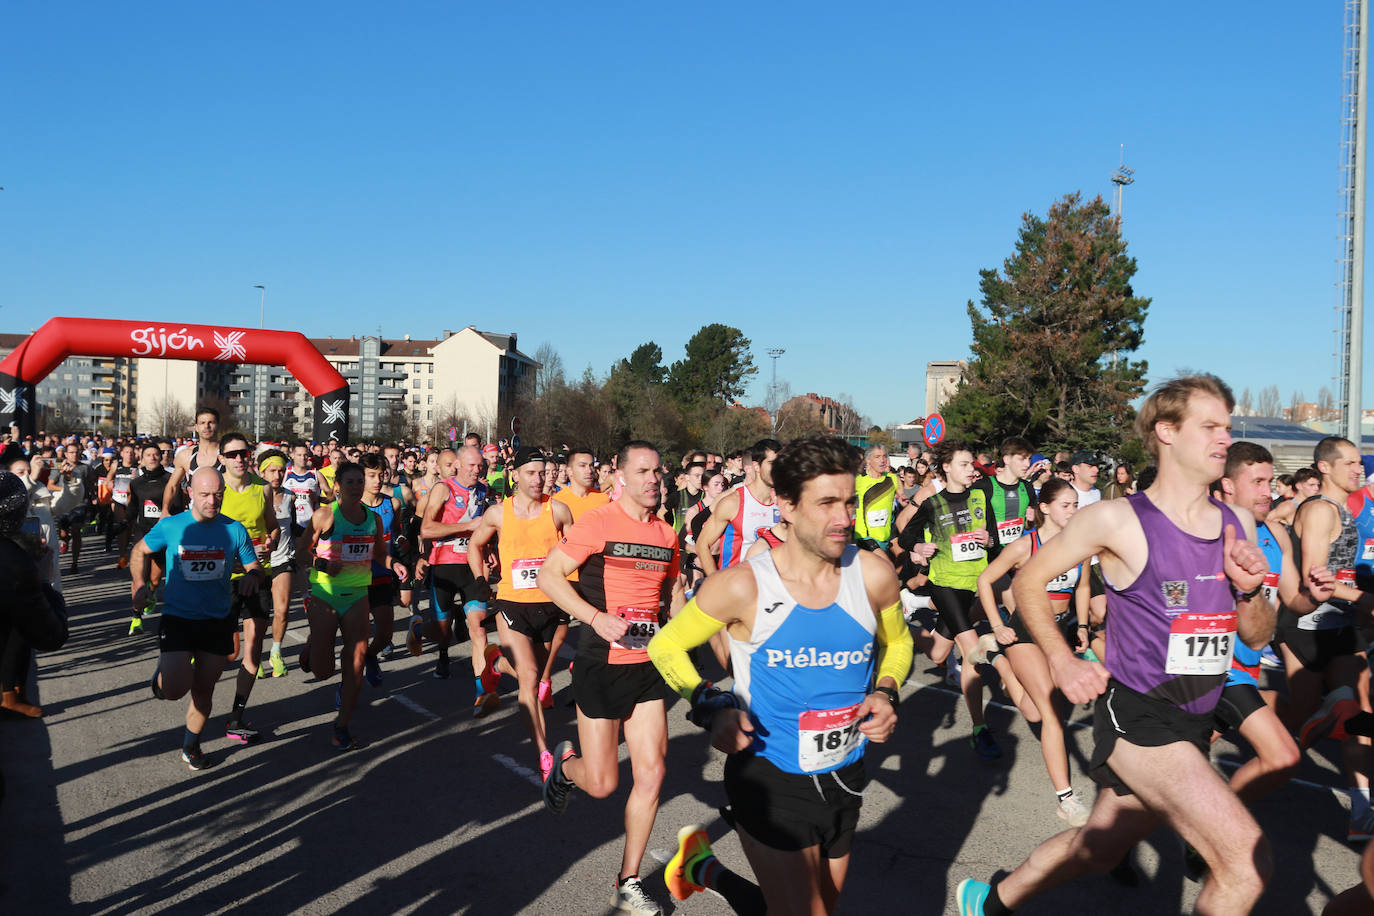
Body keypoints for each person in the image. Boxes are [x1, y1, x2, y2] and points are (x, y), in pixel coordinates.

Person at [957, 374, 1275, 915]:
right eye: (1211, 426)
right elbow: (1028, 581)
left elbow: (1257, 634)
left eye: (1227, 425)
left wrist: (1250, 593)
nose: (1226, 438)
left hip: (1199, 715)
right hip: (1141, 718)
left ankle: (989, 902)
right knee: (1245, 862)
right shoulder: (1116, 518)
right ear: (1166, 432)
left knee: (1098, 849)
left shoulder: (1236, 520)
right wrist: (1060, 659)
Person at [647, 436, 911, 915]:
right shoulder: (744, 585)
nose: (844, 518)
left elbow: (899, 643)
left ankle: (705, 870)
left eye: (849, 501)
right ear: (786, 505)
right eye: (827, 503)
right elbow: (666, 645)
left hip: (845, 772)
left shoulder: (873, 575)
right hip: (769, 777)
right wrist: (710, 704)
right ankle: (708, 870)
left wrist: (887, 691)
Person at [539, 441, 685, 916]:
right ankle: (565, 767)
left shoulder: (667, 533)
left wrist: (680, 642)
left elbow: (674, 593)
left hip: (646, 667)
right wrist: (594, 617)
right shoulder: (598, 522)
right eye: (642, 471)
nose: (653, 480)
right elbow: (550, 575)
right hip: (602, 663)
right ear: (620, 476)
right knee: (601, 783)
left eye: (658, 472)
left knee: (653, 773)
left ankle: (628, 881)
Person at [974, 478, 1092, 825]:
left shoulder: (1079, 546)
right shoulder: (1026, 545)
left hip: (1061, 629)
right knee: (1050, 712)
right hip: (1026, 629)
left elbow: (1083, 586)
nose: (1073, 511)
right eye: (1066, 505)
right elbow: (985, 580)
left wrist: (1082, 625)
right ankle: (1066, 798)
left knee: (1036, 713)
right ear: (1044, 507)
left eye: (1075, 505)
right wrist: (997, 624)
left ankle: (997, 661)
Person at [134, 467, 265, 770]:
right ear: (190, 492)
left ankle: (191, 745)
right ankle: (166, 675)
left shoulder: (234, 530)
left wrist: (253, 578)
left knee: (205, 689)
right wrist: (140, 585)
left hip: (217, 621)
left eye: (217, 495)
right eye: (204, 494)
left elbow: (254, 566)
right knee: (174, 691)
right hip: (179, 618)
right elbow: (140, 551)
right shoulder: (172, 526)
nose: (211, 501)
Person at [1281, 435, 1374, 840]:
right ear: (1325, 467)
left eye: (1360, 463)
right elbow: (1314, 577)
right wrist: (1363, 597)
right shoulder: (1319, 510)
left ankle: (1362, 809)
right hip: (1308, 624)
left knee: (1358, 712)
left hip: (1341, 624)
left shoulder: (1343, 509)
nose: (1360, 469)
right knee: (1295, 723)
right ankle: (1220, 746)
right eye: (1351, 463)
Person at [467, 446, 574, 778]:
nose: (538, 479)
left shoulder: (558, 511)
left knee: (537, 674)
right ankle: (544, 754)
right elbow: (475, 544)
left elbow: (577, 553)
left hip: (550, 605)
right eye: (531, 472)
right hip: (512, 605)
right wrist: (480, 580)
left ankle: (496, 662)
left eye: (543, 473)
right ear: (515, 475)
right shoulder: (499, 513)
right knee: (529, 678)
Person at [895, 439, 1002, 760]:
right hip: (945, 587)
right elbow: (905, 537)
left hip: (976, 585)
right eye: (965, 465)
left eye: (972, 465)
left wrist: (989, 539)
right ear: (947, 468)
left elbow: (994, 545)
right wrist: (917, 550)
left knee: (940, 650)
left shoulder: (982, 496)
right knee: (974, 653)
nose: (972, 470)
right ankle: (981, 730)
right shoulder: (932, 504)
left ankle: (896, 630)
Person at [296, 461, 391, 750]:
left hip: (358, 594)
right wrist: (321, 563)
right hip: (325, 594)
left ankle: (341, 726)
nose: (355, 487)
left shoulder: (372, 520)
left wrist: (396, 565)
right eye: (349, 482)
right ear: (337, 485)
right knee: (322, 672)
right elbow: (301, 553)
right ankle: (314, 648)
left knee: (356, 661)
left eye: (359, 482)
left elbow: (381, 555)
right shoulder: (325, 515)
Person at [412, 447, 493, 697]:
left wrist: (489, 547)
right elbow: (426, 529)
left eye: (480, 466)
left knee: (479, 627)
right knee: (442, 631)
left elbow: (484, 528)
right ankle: (419, 631)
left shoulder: (482, 490)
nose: (476, 471)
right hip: (444, 566)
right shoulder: (443, 488)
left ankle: (483, 689)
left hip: (472, 565)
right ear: (457, 464)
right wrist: (467, 526)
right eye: (471, 466)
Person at [0, 469, 67, 721]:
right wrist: (43, 578)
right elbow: (52, 636)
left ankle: (14, 692)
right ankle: (10, 696)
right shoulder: (16, 564)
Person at [696, 439, 781, 575]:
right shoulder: (734, 502)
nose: (778, 468)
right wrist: (715, 581)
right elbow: (702, 544)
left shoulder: (785, 503)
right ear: (756, 466)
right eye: (772, 463)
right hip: (736, 588)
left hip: (771, 589)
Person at [256, 450, 297, 678]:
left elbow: (295, 529)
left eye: (281, 470)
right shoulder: (254, 495)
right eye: (272, 470)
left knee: (281, 610)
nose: (278, 474)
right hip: (260, 561)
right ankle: (255, 655)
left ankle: (276, 652)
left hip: (283, 558)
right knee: (260, 615)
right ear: (262, 472)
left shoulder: (290, 496)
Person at [126, 443, 171, 634]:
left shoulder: (170, 480)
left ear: (160, 458)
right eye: (148, 455)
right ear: (142, 459)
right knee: (138, 578)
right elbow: (133, 508)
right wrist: (121, 523)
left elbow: (176, 509)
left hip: (164, 535)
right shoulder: (136, 483)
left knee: (154, 579)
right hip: (142, 533)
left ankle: (151, 593)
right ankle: (136, 617)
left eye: (155, 454)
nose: (152, 458)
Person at [162, 407, 223, 516]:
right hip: (196, 516)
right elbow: (172, 486)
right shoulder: (185, 455)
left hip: (224, 516)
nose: (206, 426)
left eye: (211, 422)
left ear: (218, 425)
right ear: (196, 427)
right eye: (202, 423)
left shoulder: (228, 454)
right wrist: (165, 510)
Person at [853, 444, 902, 552]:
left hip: (886, 536)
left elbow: (903, 499)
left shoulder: (892, 478)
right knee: (885, 566)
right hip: (865, 537)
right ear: (868, 460)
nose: (882, 460)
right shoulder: (858, 480)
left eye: (884, 456)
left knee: (900, 560)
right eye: (877, 457)